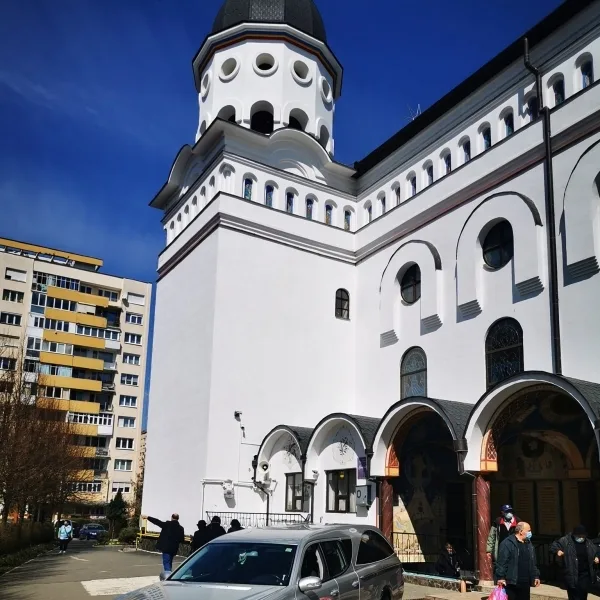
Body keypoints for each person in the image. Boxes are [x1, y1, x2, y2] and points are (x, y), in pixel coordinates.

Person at [550, 525, 600, 600]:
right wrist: (557, 550)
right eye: (579, 536)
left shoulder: (588, 543)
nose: (581, 538)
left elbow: (596, 551)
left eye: (583, 536)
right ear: (574, 534)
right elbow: (553, 546)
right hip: (571, 573)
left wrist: (596, 557)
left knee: (583, 595)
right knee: (574, 596)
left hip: (585, 574)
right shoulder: (566, 540)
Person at [496, 522, 540, 600]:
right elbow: (502, 562)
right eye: (528, 530)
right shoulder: (508, 543)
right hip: (512, 582)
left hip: (525, 583)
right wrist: (501, 577)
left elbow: (533, 562)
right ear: (521, 531)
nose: (530, 533)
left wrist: (535, 576)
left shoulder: (529, 543)